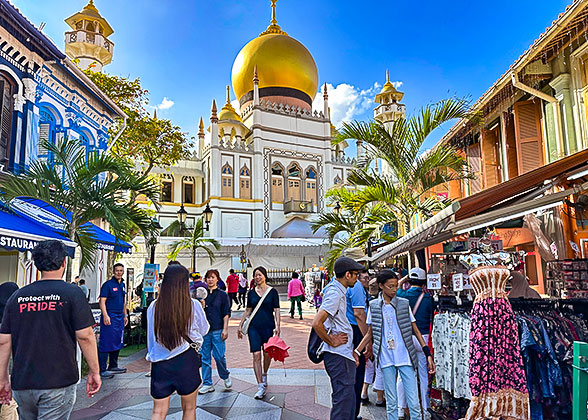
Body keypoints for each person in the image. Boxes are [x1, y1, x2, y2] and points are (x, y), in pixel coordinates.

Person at [0, 240, 101, 420]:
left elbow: (4, 341)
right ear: (63, 262)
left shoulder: (17, 297)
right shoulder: (73, 293)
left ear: (37, 264)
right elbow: (85, 336)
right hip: (58, 381)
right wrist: (94, 371)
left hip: (23, 382)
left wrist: (3, 379)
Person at [355, 270, 435, 420]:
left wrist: (427, 353)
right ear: (381, 286)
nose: (394, 290)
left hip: (405, 356)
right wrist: (357, 351)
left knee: (413, 402)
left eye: (395, 286)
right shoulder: (374, 306)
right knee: (391, 402)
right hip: (385, 357)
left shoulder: (404, 304)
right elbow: (369, 333)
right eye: (390, 286)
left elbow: (416, 330)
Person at [146, 263, 209, 420]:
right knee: (189, 409)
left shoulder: (154, 306)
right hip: (186, 360)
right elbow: (204, 330)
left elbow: (151, 338)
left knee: (158, 411)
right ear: (184, 283)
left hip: (160, 362)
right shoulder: (193, 305)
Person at [311, 257, 365, 420]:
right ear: (347, 275)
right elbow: (317, 322)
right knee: (343, 402)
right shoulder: (335, 293)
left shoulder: (335, 289)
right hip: (338, 355)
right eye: (355, 274)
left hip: (342, 354)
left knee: (347, 401)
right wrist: (331, 340)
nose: (357, 278)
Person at [237, 266, 281, 399]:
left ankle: (264, 373)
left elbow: (277, 310)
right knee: (256, 355)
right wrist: (240, 325)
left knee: (267, 354)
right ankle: (260, 385)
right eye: (255, 275)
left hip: (268, 327)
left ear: (265, 276)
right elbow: (248, 310)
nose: (257, 277)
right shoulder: (251, 293)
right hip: (254, 327)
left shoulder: (272, 292)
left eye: (260, 275)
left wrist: (278, 325)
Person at [396, 267, 434, 418]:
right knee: (424, 375)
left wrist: (403, 279)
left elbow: (398, 286)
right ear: (424, 282)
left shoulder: (402, 295)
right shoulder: (428, 298)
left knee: (403, 374)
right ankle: (426, 410)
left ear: (410, 281)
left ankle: (400, 409)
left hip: (406, 338)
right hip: (423, 339)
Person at [199, 269, 232, 394]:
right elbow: (197, 313)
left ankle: (225, 375)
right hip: (205, 330)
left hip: (218, 329)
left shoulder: (222, 295)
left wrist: (225, 328)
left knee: (219, 356)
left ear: (217, 279)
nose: (210, 280)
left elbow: (226, 313)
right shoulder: (202, 294)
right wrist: (201, 306)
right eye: (208, 278)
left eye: (213, 277)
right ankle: (207, 383)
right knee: (205, 357)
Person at [346, 270, 371, 420]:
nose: (368, 280)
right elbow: (359, 314)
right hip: (356, 331)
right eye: (365, 278)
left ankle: (351, 412)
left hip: (350, 331)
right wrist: (367, 339)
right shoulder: (356, 287)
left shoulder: (342, 285)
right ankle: (353, 413)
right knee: (357, 373)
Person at [98, 263, 129, 378]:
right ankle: (101, 369)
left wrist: (125, 315)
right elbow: (102, 301)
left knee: (117, 340)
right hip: (110, 316)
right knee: (106, 342)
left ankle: (113, 365)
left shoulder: (122, 285)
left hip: (119, 317)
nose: (119, 272)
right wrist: (105, 315)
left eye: (121, 270)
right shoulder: (107, 285)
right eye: (117, 270)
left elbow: (124, 301)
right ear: (113, 271)